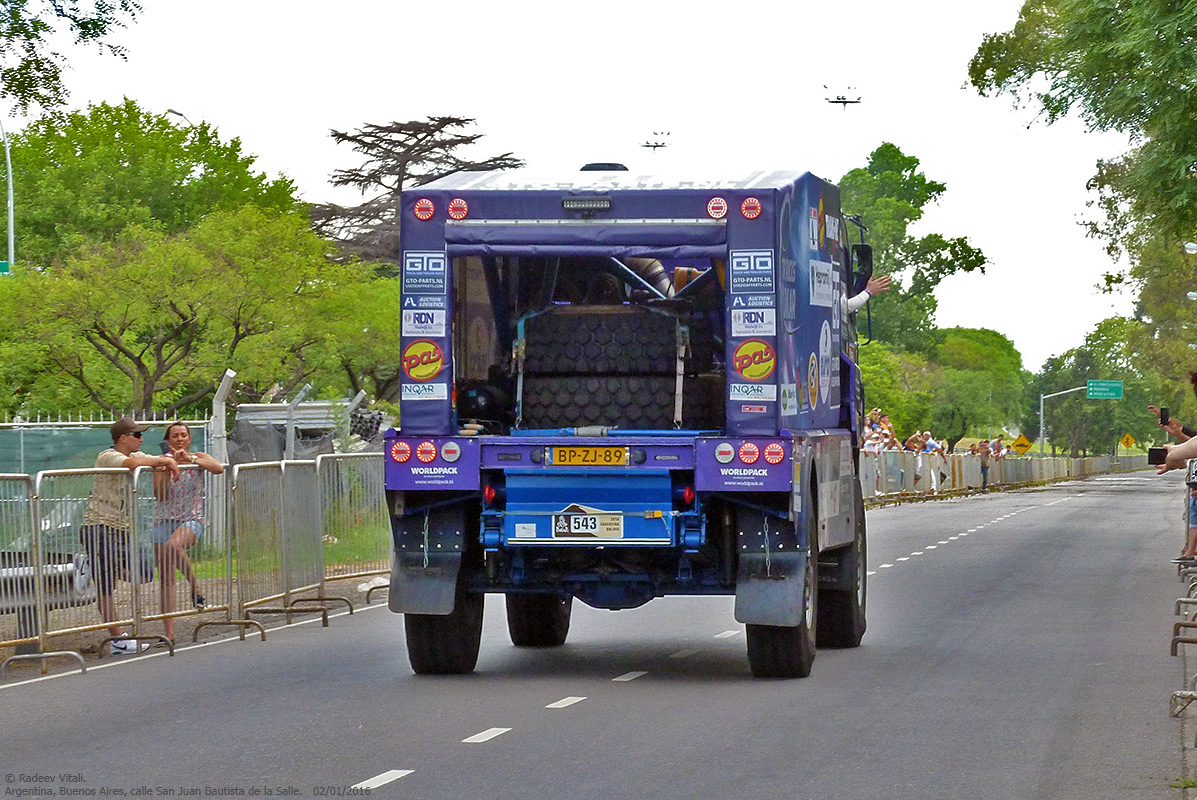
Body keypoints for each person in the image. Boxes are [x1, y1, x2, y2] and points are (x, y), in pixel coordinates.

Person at [80, 417, 180, 655]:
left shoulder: (137, 455)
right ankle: (118, 640)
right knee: (106, 587)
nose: (141, 439)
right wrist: (163, 460)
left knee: (144, 572)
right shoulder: (109, 456)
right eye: (137, 436)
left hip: (121, 528)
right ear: (123, 438)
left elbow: (151, 463)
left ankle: (92, 567)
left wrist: (171, 459)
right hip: (99, 525)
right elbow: (132, 464)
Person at [153, 421, 224, 642]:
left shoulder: (198, 457)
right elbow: (159, 494)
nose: (180, 439)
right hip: (163, 520)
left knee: (174, 546)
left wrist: (190, 460)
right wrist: (168, 466)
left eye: (183, 435)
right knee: (166, 579)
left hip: (191, 518)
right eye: (175, 436)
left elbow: (218, 468)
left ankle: (195, 586)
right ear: (168, 440)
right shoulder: (160, 463)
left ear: (189, 438)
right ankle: (169, 634)